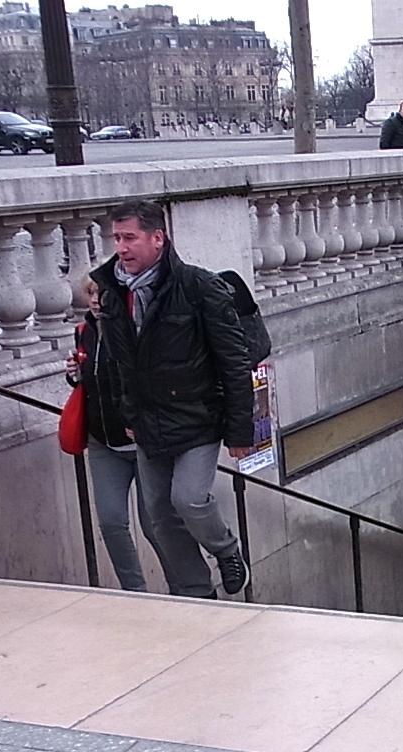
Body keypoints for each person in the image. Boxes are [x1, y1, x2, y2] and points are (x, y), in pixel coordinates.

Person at [91, 199, 253, 599]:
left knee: (189, 499)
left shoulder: (199, 287)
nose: (121, 248)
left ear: (157, 238)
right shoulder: (113, 293)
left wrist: (240, 431)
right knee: (160, 517)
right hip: (148, 423)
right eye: (116, 238)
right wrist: (129, 415)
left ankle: (227, 551)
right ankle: (199, 592)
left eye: (130, 238)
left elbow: (234, 363)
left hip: (198, 418)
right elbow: (119, 366)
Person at [64, 277, 178, 594]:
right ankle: (135, 592)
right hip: (103, 441)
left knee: (154, 525)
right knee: (111, 521)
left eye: (101, 293)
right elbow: (91, 381)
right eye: (90, 293)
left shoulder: (136, 330)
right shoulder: (84, 332)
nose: (95, 299)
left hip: (142, 442)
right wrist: (74, 375)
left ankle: (185, 588)